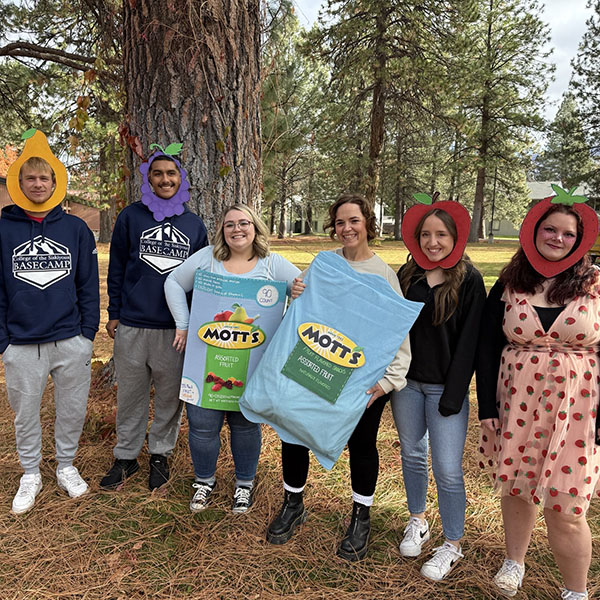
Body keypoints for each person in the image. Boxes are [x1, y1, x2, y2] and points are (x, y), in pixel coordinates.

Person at [266, 192, 412, 561]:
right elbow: (301, 314)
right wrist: (294, 291)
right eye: (341, 222)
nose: (347, 228)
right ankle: (293, 503)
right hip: (317, 365)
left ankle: (361, 518)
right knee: (294, 432)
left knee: (361, 445)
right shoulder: (324, 264)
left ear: (368, 225)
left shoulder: (383, 274)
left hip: (363, 380)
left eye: (354, 221)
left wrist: (388, 381)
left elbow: (398, 335)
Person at [477, 196, 600, 600]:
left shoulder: (595, 285)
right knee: (516, 487)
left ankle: (575, 591)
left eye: (569, 233)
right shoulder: (510, 283)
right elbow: (487, 346)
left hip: (578, 412)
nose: (558, 238)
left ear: (580, 241)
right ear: (533, 232)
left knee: (566, 508)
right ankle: (515, 561)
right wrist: (488, 409)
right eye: (551, 229)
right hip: (517, 402)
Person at [165, 203, 300, 513]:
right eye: (230, 224)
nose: (237, 229)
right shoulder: (208, 258)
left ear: (255, 228)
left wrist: (290, 318)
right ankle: (203, 481)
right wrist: (183, 324)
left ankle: (244, 484)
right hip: (205, 359)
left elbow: (306, 290)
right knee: (201, 424)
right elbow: (173, 282)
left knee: (245, 425)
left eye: (244, 223)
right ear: (221, 230)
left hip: (253, 362)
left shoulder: (272, 264)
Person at [0, 131, 99, 514]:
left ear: (55, 183)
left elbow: (89, 284)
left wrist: (87, 335)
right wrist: (4, 340)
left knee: (71, 407)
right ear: (19, 184)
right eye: (30, 178)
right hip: (21, 342)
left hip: (69, 339)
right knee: (25, 412)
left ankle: (66, 465)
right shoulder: (4, 228)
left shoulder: (74, 229)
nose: (38, 184)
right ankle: (30, 473)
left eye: (44, 178)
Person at [101, 148, 208, 491]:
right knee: (130, 395)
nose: (165, 179)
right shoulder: (131, 217)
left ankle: (160, 454)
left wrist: (191, 324)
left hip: (173, 330)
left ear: (181, 179)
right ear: (148, 179)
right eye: (158, 173)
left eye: (171, 174)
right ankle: (126, 457)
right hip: (132, 323)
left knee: (168, 397)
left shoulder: (193, 225)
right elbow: (116, 267)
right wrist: (114, 312)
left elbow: (201, 282)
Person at [391, 199, 485, 581]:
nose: (433, 242)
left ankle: (453, 544)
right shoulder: (407, 275)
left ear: (455, 237)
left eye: (441, 234)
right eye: (426, 234)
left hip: (447, 389)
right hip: (407, 385)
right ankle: (418, 520)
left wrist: (453, 395)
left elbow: (470, 344)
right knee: (413, 456)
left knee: (447, 470)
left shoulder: (469, 279)